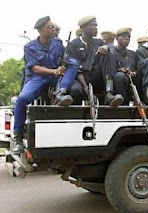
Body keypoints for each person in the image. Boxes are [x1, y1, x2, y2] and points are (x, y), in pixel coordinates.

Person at [12, 16, 79, 154]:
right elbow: (35, 68)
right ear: (41, 30)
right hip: (37, 78)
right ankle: (18, 137)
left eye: (53, 26)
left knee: (73, 62)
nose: (53, 29)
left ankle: (61, 92)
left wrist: (63, 65)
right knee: (23, 99)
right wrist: (54, 71)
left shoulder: (58, 43)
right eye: (50, 27)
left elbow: (64, 59)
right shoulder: (29, 47)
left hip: (55, 78)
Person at [68, 16, 123, 106]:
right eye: (93, 25)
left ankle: (109, 93)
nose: (96, 28)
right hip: (80, 78)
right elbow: (76, 69)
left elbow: (112, 58)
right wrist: (85, 87)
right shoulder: (73, 44)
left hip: (95, 76)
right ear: (83, 28)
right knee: (75, 90)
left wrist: (107, 48)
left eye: (96, 25)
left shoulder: (99, 42)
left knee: (110, 53)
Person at [113, 28, 137, 104]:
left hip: (132, 79)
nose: (127, 38)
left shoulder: (133, 54)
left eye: (128, 37)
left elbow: (138, 68)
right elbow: (108, 70)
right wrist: (120, 70)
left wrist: (134, 73)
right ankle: (123, 105)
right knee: (120, 76)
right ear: (116, 38)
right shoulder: (111, 53)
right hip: (117, 80)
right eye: (123, 36)